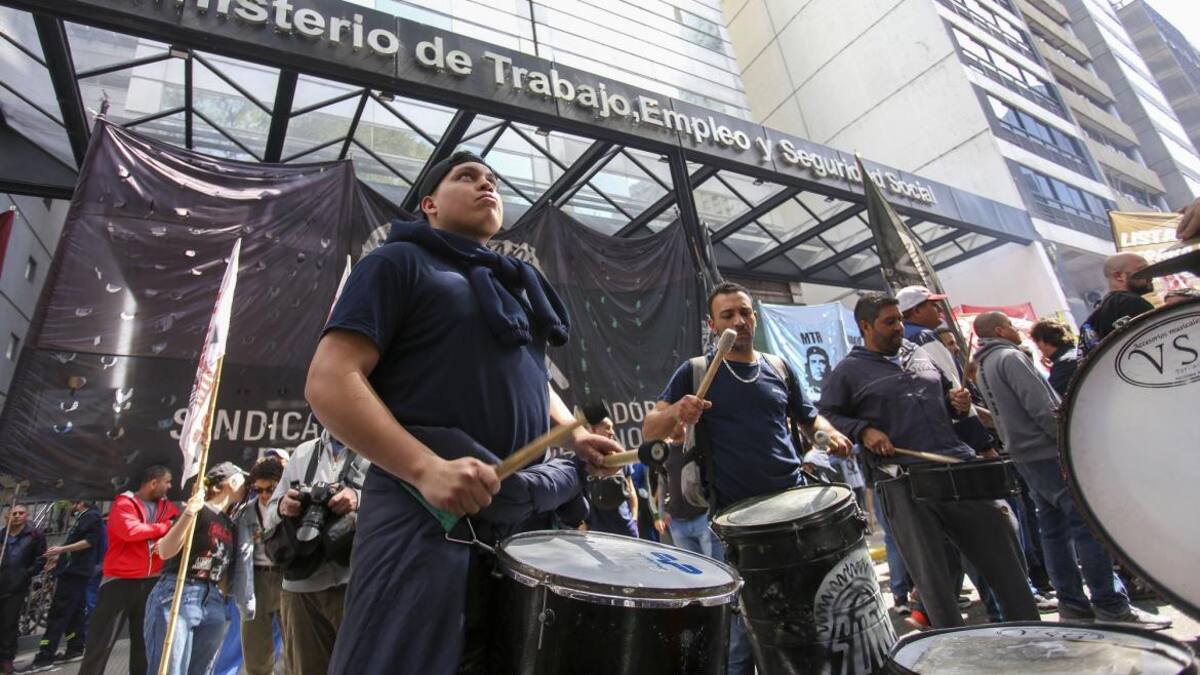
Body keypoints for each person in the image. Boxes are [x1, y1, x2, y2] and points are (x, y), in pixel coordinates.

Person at [305, 149, 621, 674]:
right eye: (467, 177)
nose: (486, 185)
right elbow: (330, 380)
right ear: (428, 204)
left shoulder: (508, 287)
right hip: (424, 520)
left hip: (520, 526)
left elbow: (529, 379)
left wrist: (573, 437)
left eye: (493, 180)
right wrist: (424, 467)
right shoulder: (395, 262)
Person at [643, 281, 852, 675]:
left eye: (745, 312)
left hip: (793, 510)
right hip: (735, 523)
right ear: (712, 324)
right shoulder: (695, 371)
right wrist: (676, 413)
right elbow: (650, 429)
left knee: (807, 615)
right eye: (728, 315)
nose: (739, 321)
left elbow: (809, 421)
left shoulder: (778, 367)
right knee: (743, 630)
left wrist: (831, 433)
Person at [817, 293, 1039, 629]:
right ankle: (953, 649)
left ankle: (1034, 636)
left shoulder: (919, 355)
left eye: (900, 320)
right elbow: (828, 415)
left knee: (1007, 564)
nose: (899, 327)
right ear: (865, 326)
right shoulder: (848, 372)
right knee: (935, 584)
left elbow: (949, 402)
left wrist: (958, 403)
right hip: (906, 482)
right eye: (889, 322)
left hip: (958, 470)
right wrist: (863, 431)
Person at [973, 312, 1171, 629]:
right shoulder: (1009, 357)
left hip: (1026, 455)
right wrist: (1068, 441)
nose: (1015, 330)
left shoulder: (984, 364)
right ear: (999, 330)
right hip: (1047, 452)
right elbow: (1040, 407)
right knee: (1085, 526)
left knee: (1053, 531)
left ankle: (1073, 604)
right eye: (1010, 325)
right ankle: (1110, 604)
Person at [263, 432, 366, 675]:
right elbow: (269, 515)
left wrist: (357, 497)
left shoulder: (374, 446)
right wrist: (282, 505)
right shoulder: (304, 452)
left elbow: (396, 504)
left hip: (354, 580)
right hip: (301, 585)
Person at [144, 462, 251, 675]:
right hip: (179, 591)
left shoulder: (231, 524)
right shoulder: (198, 509)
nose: (246, 487)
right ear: (231, 482)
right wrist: (188, 514)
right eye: (243, 481)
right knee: (170, 669)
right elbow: (165, 550)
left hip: (213, 602)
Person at [79, 465, 179, 675]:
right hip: (119, 581)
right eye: (167, 482)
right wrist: (164, 528)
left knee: (144, 646)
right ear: (154, 482)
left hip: (152, 582)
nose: (170, 486)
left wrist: (166, 528)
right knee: (101, 644)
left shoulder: (168, 508)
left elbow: (177, 529)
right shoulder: (124, 503)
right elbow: (130, 531)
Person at [20, 501, 102, 672]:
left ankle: (45, 656)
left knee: (58, 614)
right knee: (75, 613)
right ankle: (75, 647)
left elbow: (89, 541)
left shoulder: (90, 517)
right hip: (75, 572)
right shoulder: (86, 518)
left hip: (74, 574)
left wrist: (61, 550)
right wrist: (60, 558)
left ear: (79, 504)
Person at [237, 458, 284, 675]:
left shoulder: (290, 505)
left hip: (286, 577)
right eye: (259, 489)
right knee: (255, 649)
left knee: (296, 644)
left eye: (270, 489)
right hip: (256, 578)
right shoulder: (246, 511)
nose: (265, 495)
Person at [0, 506, 45, 674]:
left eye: (21, 513)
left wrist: (26, 574)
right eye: (14, 514)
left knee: (9, 624)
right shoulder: (2, 535)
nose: (17, 516)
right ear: (7, 517)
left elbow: (40, 558)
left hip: (16, 586)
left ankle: (7, 659)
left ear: (26, 515)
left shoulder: (34, 535)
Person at [581, 412, 638, 538]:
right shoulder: (580, 461)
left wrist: (634, 519)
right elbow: (574, 497)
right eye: (607, 427)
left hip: (626, 532)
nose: (612, 432)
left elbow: (631, 491)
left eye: (612, 428)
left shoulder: (621, 457)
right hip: (596, 535)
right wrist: (582, 524)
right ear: (593, 430)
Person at [1081, 253, 1154, 348]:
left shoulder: (1102, 309)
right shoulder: (1130, 302)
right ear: (1118, 276)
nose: (1151, 274)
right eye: (1143, 270)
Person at [1029, 319, 1078, 398]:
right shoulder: (1076, 352)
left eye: (1036, 342)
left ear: (1041, 341)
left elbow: (1054, 398)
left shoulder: (1064, 364)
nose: (1038, 348)